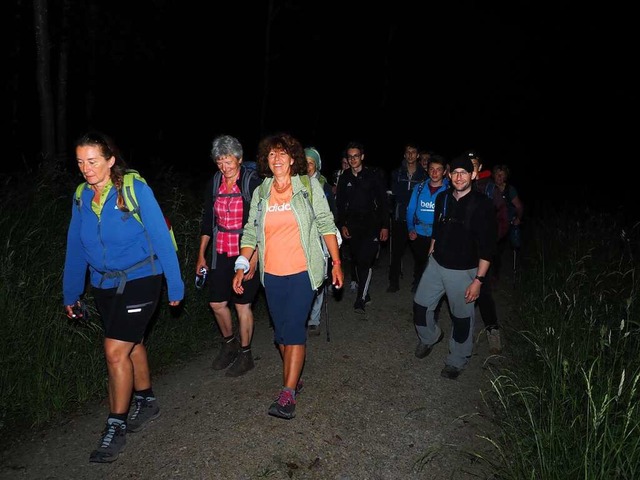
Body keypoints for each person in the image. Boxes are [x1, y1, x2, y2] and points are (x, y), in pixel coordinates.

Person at [63, 131, 184, 463]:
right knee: (133, 344)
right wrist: (71, 292)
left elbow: (161, 236)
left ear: (110, 160)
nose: (86, 169)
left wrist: (175, 284)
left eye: (92, 161)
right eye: (80, 162)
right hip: (103, 284)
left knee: (115, 351)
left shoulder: (133, 189)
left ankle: (115, 425)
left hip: (143, 277)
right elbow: (76, 247)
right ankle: (146, 400)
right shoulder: (81, 197)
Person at [232, 133, 343, 420]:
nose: (277, 158)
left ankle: (287, 394)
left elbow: (326, 222)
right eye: (271, 155)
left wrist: (337, 263)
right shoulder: (261, 192)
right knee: (281, 335)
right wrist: (243, 264)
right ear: (266, 161)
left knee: (294, 330)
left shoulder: (306, 186)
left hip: (303, 272)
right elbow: (251, 231)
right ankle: (295, 377)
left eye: (282, 154)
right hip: (273, 274)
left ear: (292, 158)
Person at [412, 154, 496, 380]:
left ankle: (457, 360)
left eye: (464, 173)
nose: (459, 177)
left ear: (473, 175)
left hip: (464, 272)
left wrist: (478, 280)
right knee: (420, 306)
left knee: (461, 319)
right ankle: (430, 337)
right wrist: (432, 248)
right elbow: (438, 229)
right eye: (455, 172)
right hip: (437, 264)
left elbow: (488, 247)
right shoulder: (444, 198)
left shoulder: (483, 205)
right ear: (449, 175)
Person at [197, 135, 262, 376]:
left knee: (242, 304)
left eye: (229, 162)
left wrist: (254, 258)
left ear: (240, 160)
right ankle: (229, 343)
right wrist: (201, 255)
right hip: (221, 251)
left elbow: (261, 223)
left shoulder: (252, 182)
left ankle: (246, 354)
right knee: (216, 303)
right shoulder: (214, 183)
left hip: (246, 251)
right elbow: (207, 222)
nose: (224, 168)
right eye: (220, 162)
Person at [335, 141, 389, 314]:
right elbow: (340, 204)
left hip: (372, 225)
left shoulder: (373, 176)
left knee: (366, 260)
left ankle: (360, 299)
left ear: (362, 157)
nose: (353, 159)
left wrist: (385, 226)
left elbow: (382, 202)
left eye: (356, 156)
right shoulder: (344, 178)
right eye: (350, 157)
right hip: (353, 225)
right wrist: (342, 224)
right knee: (358, 260)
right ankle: (365, 291)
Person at [468, 151, 504, 355]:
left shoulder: (490, 189)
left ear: (479, 167)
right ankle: (465, 336)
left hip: (483, 252)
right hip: (463, 251)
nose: (471, 168)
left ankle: (493, 332)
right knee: (462, 292)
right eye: (468, 164)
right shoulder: (458, 184)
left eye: (474, 164)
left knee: (484, 293)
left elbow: (502, 218)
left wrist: (491, 241)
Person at [387, 142, 428, 293]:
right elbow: (392, 195)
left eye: (413, 152)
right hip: (400, 218)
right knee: (396, 253)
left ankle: (418, 283)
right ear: (404, 155)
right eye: (408, 152)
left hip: (418, 220)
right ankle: (393, 282)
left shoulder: (424, 175)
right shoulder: (396, 173)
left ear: (417, 155)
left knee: (420, 255)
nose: (410, 155)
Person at [406, 154, 449, 291]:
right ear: (427, 170)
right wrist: (410, 228)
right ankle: (418, 282)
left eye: (438, 169)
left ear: (445, 172)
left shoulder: (449, 191)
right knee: (420, 261)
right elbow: (411, 209)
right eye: (432, 169)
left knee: (436, 264)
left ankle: (434, 289)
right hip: (419, 232)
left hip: (439, 235)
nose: (435, 172)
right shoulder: (419, 188)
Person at [305, 146, 336, 336]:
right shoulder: (295, 183)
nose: (307, 166)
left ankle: (314, 318)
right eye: (305, 162)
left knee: (319, 276)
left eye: (311, 163)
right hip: (302, 237)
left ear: (316, 165)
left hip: (320, 236)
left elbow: (332, 212)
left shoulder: (324, 185)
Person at [490, 164, 524, 280]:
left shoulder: (510, 190)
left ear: (506, 177)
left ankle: (495, 274)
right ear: (493, 175)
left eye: (502, 175)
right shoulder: (489, 187)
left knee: (498, 249)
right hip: (491, 223)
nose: (499, 177)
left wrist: (518, 219)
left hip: (505, 224)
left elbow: (519, 206)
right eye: (497, 175)